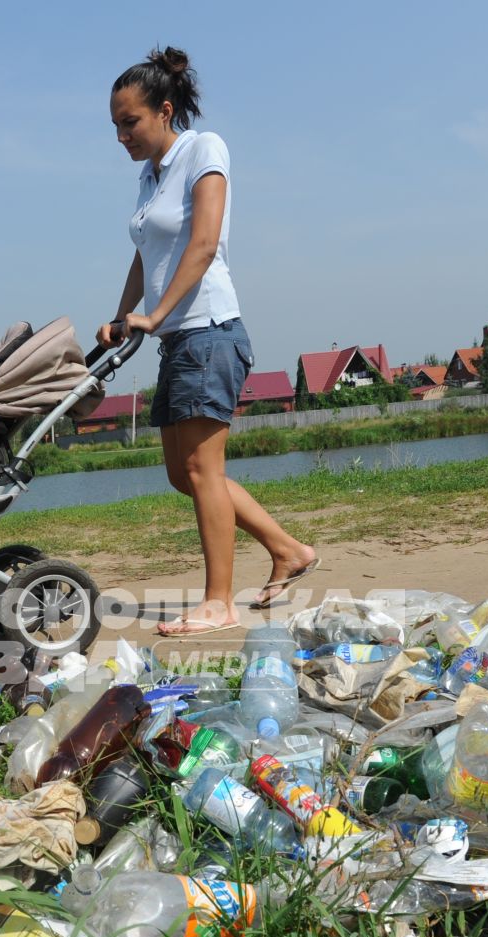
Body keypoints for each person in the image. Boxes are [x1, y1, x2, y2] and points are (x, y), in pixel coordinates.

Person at [95, 48, 319, 637]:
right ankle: (288, 550)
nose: (121, 136)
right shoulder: (149, 177)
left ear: (165, 110)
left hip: (210, 333)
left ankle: (218, 601)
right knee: (183, 472)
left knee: (201, 470)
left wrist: (155, 316)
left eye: (130, 122)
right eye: (115, 125)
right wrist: (122, 315)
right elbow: (146, 256)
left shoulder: (204, 149)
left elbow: (203, 243)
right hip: (179, 341)